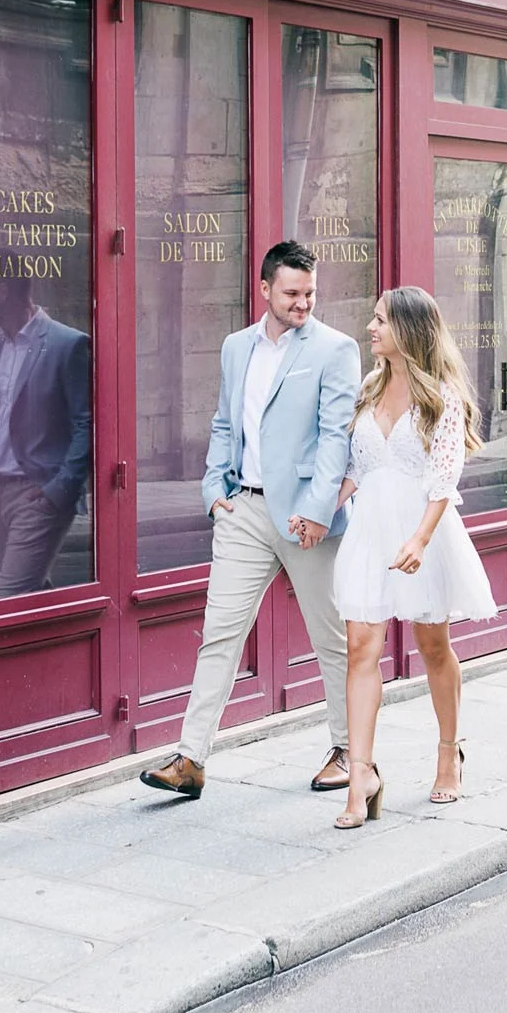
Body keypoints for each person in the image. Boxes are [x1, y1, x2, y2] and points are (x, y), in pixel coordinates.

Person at [140, 241, 362, 800]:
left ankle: (348, 749)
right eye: (291, 293)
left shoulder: (336, 349)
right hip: (245, 510)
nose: (302, 303)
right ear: (264, 289)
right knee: (220, 633)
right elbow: (224, 422)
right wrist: (213, 489)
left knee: (330, 636)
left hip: (307, 517)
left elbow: (336, 439)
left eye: (310, 293)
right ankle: (191, 759)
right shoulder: (236, 347)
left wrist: (319, 511)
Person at [332, 286, 497, 828]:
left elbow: (445, 479)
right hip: (368, 533)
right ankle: (360, 778)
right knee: (360, 648)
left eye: (380, 320)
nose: (371, 327)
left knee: (432, 645)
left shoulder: (442, 396)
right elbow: (357, 469)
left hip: (421, 531)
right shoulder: (369, 386)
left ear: (408, 329)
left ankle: (449, 753)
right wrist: (319, 513)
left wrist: (420, 540)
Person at [0, 269, 92, 600]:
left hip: (37, 493)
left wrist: (58, 490)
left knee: (9, 598)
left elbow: (86, 425)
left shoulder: (67, 344)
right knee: (30, 595)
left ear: (3, 291)